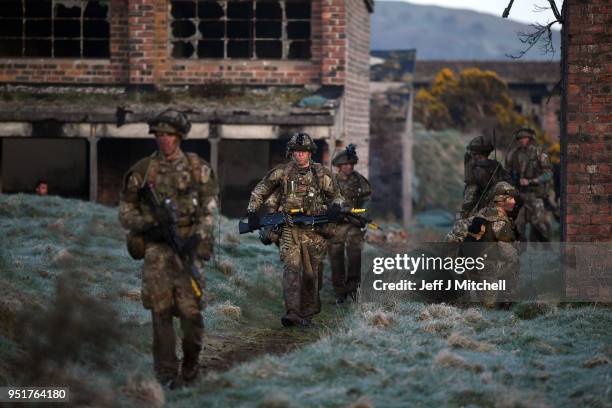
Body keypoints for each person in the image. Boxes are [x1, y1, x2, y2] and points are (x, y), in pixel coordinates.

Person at [118, 109, 218, 388]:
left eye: (168, 135)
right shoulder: (142, 171)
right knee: (160, 315)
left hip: (188, 251)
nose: (163, 140)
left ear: (179, 137)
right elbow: (125, 212)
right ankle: (165, 376)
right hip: (157, 253)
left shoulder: (198, 168)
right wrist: (149, 225)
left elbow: (210, 211)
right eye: (159, 135)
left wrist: (196, 238)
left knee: (191, 315)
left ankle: (190, 366)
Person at [245, 132, 345, 327]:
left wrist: (335, 208)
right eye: (297, 151)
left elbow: (337, 196)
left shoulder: (321, 174)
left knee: (311, 273)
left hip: (314, 231)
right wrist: (252, 212)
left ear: (310, 153)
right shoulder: (281, 172)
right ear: (291, 152)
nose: (300, 155)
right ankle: (292, 313)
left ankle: (307, 314)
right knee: (291, 269)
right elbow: (259, 191)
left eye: (304, 151)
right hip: (289, 229)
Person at [465, 181, 519, 308]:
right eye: (511, 198)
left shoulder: (483, 212)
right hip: (489, 269)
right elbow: (508, 253)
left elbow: (460, 230)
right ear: (501, 200)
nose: (514, 202)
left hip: (475, 266)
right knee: (489, 306)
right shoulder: (499, 221)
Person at [328, 144, 371, 303]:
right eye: (345, 164)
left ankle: (353, 290)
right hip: (336, 224)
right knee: (335, 256)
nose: (348, 167)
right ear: (339, 166)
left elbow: (367, 199)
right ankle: (339, 292)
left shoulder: (359, 180)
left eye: (350, 164)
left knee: (354, 256)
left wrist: (363, 214)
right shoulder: (331, 182)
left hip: (354, 221)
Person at [505, 127, 553, 242]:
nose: (522, 140)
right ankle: (521, 253)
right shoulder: (513, 154)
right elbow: (507, 173)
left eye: (525, 138)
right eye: (520, 138)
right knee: (518, 224)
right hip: (519, 195)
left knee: (539, 223)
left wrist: (532, 181)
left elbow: (548, 174)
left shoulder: (539, 152)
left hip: (536, 195)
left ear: (530, 139)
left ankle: (548, 248)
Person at [461, 135, 510, 218]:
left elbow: (470, 194)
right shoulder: (496, 165)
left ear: (478, 154)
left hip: (483, 211)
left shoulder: (476, 170)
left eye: (473, 153)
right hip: (501, 210)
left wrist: (464, 214)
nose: (471, 155)